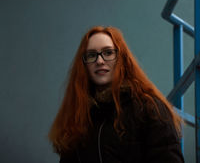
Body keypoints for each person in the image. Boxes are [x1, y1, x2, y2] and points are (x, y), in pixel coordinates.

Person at [48, 26, 185, 163]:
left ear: (122, 59)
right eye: (91, 55)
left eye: (108, 53)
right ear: (83, 65)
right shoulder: (77, 119)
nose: (100, 61)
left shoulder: (150, 109)